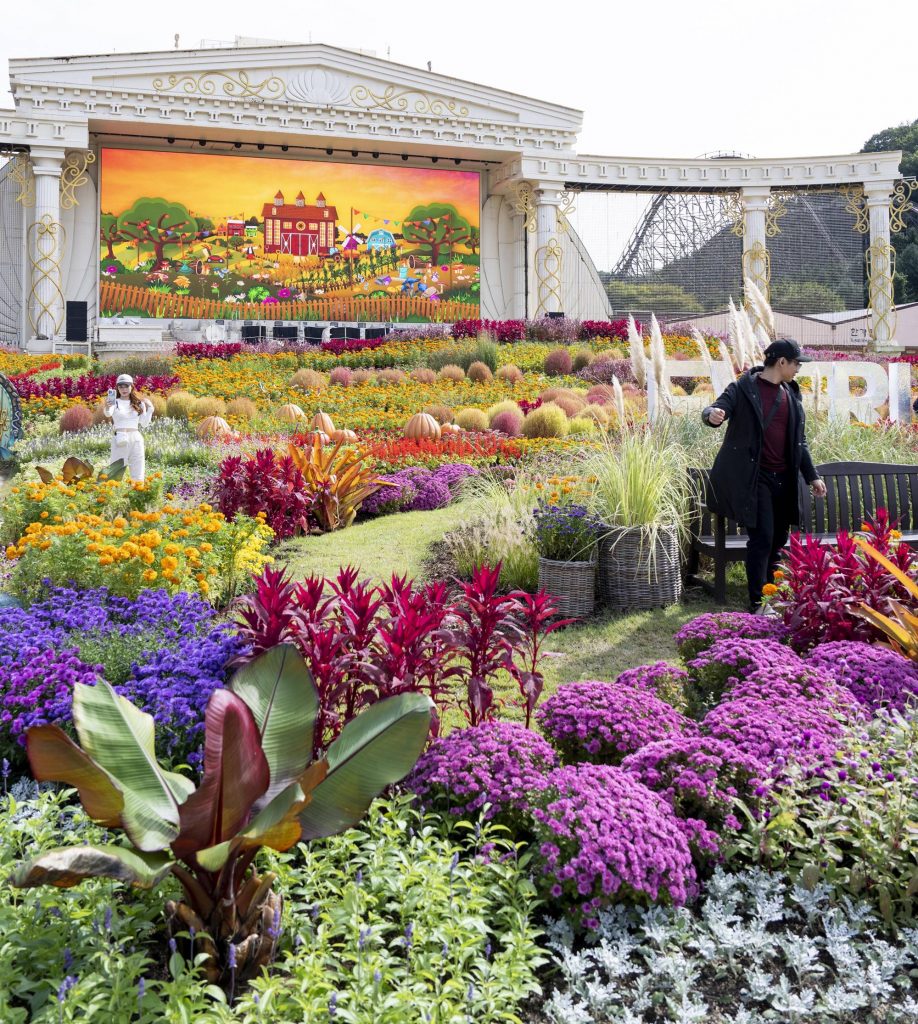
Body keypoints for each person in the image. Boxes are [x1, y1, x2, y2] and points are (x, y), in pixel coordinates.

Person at [701, 338, 827, 611]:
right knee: (763, 537)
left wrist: (812, 476)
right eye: (796, 363)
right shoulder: (743, 388)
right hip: (754, 478)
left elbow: (799, 442)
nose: (798, 369)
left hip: (784, 479)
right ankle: (757, 601)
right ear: (782, 362)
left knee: (779, 540)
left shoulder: (791, 395)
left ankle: (772, 595)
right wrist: (712, 414)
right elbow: (716, 408)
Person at [103, 374, 154, 482]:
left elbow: (144, 423)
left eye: (126, 386)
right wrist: (107, 407)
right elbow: (108, 414)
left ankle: (138, 495)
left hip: (136, 438)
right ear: (117, 388)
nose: (124, 389)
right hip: (120, 438)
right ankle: (112, 496)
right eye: (120, 386)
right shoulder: (114, 402)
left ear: (131, 386)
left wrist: (150, 409)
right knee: (115, 470)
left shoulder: (139, 404)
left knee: (138, 469)